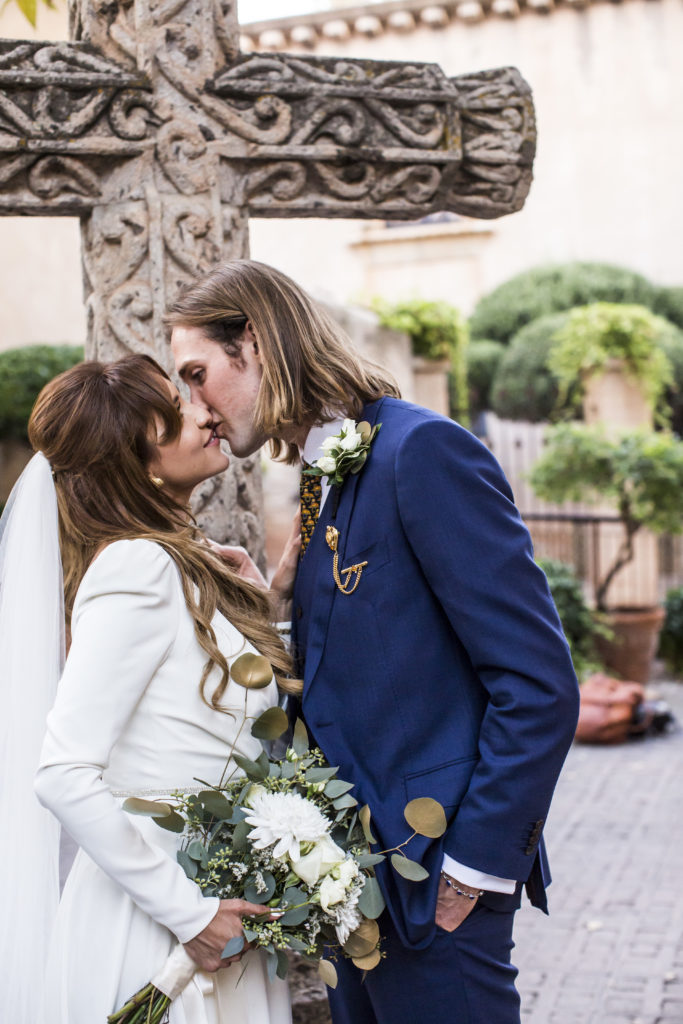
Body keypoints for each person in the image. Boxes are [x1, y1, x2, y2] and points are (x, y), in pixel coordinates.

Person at [167, 260, 581, 1024]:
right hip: (355, 894)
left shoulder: (419, 452)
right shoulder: (327, 477)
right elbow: (370, 661)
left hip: (437, 891)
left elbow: (538, 683)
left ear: (253, 344)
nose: (199, 407)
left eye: (199, 374)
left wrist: (473, 868)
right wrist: (276, 608)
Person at [0, 354, 299, 1024]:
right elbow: (63, 773)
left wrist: (255, 608)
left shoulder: (179, 561)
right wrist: (191, 915)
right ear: (137, 460)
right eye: (175, 408)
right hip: (159, 931)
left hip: (214, 906)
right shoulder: (136, 567)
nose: (202, 410)